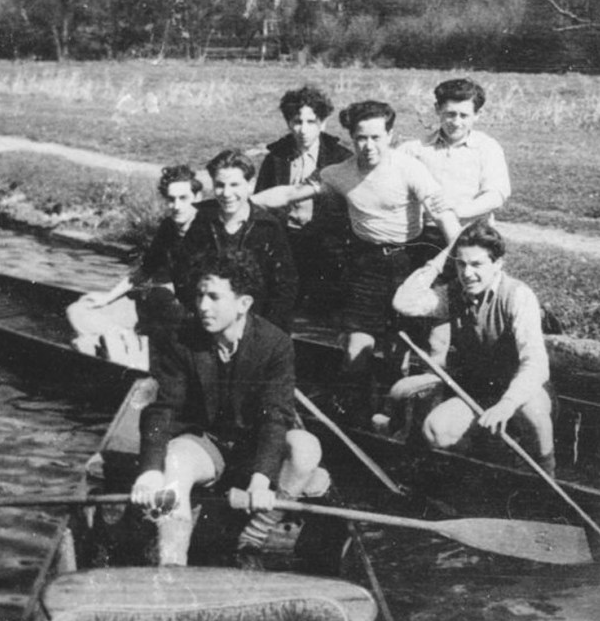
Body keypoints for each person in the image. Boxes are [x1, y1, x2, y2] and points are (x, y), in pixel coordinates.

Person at [253, 100, 461, 422]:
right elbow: (289, 194)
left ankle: (398, 418)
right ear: (351, 138)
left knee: (398, 351)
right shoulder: (338, 173)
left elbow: (444, 216)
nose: (368, 146)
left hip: (410, 259)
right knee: (355, 351)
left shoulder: (409, 168)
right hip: (367, 264)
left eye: (376, 137)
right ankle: (357, 419)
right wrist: (242, 203)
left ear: (390, 135)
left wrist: (458, 256)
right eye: (361, 138)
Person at [130, 251, 328, 566]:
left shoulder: (275, 344)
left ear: (243, 304)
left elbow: (276, 416)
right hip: (206, 445)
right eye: (199, 296)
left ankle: (252, 538)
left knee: (306, 448)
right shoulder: (181, 338)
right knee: (174, 464)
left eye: (214, 297)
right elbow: (162, 408)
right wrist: (150, 471)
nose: (202, 306)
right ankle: (171, 565)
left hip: (255, 448)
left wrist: (262, 478)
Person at [391, 220, 556, 476]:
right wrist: (441, 257)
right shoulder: (451, 294)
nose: (467, 273)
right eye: (461, 263)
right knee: (437, 429)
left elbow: (535, 365)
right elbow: (404, 301)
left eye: (477, 264)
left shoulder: (517, 296)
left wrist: (508, 402)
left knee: (532, 411)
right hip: (479, 392)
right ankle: (477, 479)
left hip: (522, 392)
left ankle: (544, 478)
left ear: (498, 264)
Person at [67, 165, 203, 368]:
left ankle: (114, 346)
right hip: (159, 304)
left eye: (183, 198)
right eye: (171, 199)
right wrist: (108, 297)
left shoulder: (208, 229)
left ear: (197, 197)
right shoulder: (168, 227)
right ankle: (115, 340)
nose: (176, 206)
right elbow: (145, 270)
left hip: (189, 311)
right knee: (78, 310)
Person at [255, 86, 352, 307]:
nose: (303, 130)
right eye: (297, 122)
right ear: (288, 123)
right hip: (285, 239)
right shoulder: (276, 157)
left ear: (323, 123)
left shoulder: (340, 157)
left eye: (311, 122)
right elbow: (262, 199)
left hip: (325, 244)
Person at [186, 149, 298, 333]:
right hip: (208, 319)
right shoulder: (200, 222)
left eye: (235, 185)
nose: (227, 193)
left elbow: (284, 287)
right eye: (220, 185)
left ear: (250, 184)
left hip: (256, 323)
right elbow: (186, 276)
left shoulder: (268, 227)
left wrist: (262, 330)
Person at [399, 77, 511, 250]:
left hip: (472, 234)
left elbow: (496, 195)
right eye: (450, 114)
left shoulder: (487, 148)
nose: (456, 123)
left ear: (477, 115)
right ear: (437, 109)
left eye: (464, 115)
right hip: (423, 235)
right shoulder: (414, 149)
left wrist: (457, 211)